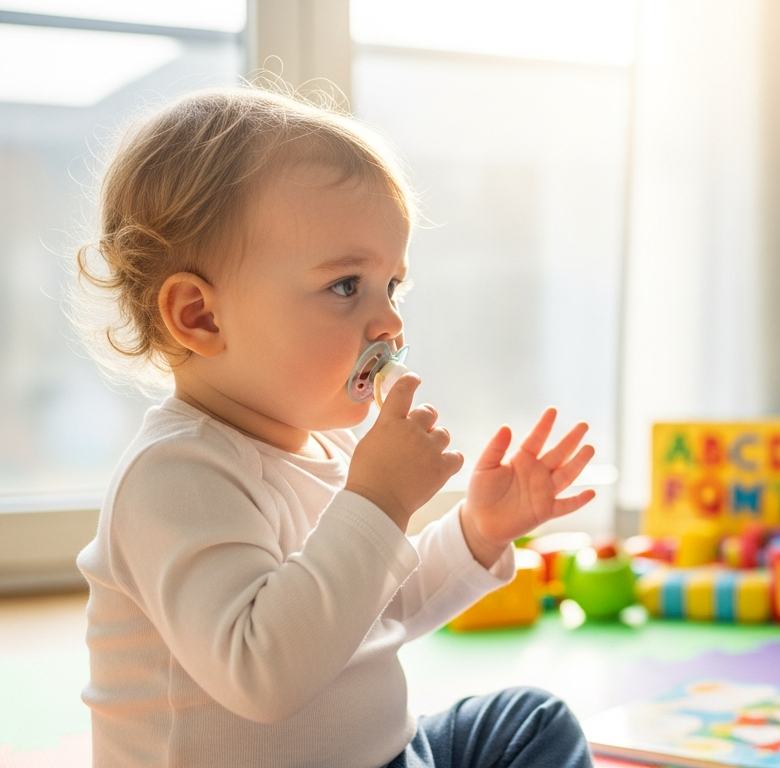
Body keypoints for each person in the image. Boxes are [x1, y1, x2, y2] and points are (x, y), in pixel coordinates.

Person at [73, 86, 596, 768]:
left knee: (530, 722)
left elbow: (370, 610)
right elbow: (263, 673)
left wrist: (477, 532)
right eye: (346, 285)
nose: (391, 323)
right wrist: (377, 502)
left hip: (387, 752)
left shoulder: (333, 447)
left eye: (392, 286)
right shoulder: (174, 477)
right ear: (201, 316)